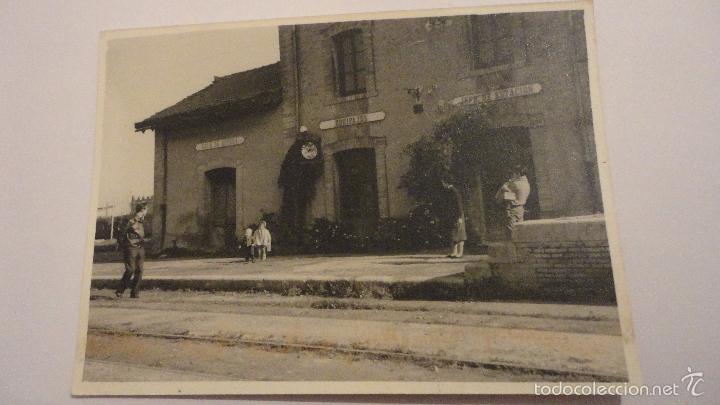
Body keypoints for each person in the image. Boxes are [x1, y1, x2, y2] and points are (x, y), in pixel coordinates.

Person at [115, 203, 148, 298]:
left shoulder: (141, 221)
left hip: (140, 248)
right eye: (146, 210)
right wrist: (123, 245)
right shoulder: (131, 219)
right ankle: (120, 290)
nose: (146, 212)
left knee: (139, 270)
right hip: (130, 247)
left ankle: (135, 292)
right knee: (130, 269)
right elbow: (122, 231)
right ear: (143, 210)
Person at [495, 165, 531, 240]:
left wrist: (505, 186)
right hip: (520, 209)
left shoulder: (514, 184)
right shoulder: (526, 183)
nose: (512, 175)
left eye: (514, 173)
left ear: (518, 174)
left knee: (511, 233)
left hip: (512, 209)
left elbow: (500, 197)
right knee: (520, 231)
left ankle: (512, 251)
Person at [442, 180, 466, 258]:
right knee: (454, 234)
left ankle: (460, 253)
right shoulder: (449, 191)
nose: (443, 185)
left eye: (443, 183)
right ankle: (454, 252)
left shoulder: (454, 191)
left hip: (458, 215)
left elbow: (459, 205)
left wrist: (459, 217)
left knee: (460, 234)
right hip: (453, 215)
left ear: (446, 182)